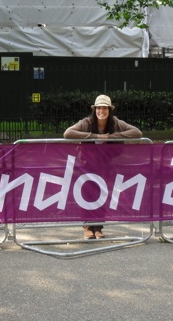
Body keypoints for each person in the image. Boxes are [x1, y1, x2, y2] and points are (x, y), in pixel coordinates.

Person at [64, 94, 142, 239]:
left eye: (105, 108)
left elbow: (137, 132)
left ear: (109, 110)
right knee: (86, 194)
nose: (101, 111)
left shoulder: (116, 123)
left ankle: (98, 227)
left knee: (102, 194)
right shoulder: (87, 122)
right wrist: (94, 136)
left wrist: (112, 137)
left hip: (105, 164)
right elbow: (68, 133)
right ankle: (87, 227)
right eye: (99, 108)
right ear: (94, 109)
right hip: (85, 164)